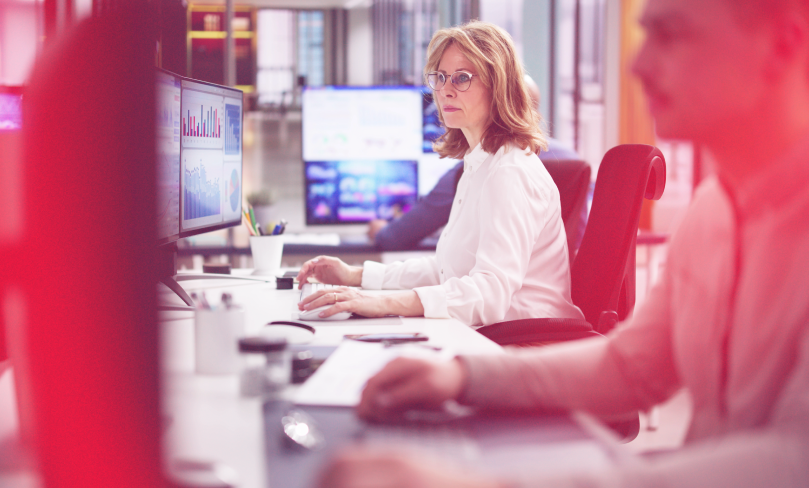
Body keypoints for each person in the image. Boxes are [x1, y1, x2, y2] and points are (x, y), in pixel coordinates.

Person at [319, 0, 809, 486]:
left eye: (672, 34)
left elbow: (793, 459)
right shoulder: (712, 214)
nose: (637, 65)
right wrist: (464, 378)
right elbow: (630, 366)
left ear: (785, 44)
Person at [296, 21, 584, 326]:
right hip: (494, 334)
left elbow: (489, 293)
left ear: (498, 85)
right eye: (441, 77)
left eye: (461, 78)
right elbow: (447, 270)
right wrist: (356, 276)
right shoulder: (479, 164)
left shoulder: (509, 172)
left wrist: (380, 302)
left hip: (525, 343)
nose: (445, 90)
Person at [368, 76, 581, 252]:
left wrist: (381, 230)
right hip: (565, 284)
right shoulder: (572, 159)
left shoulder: (476, 165)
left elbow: (397, 236)